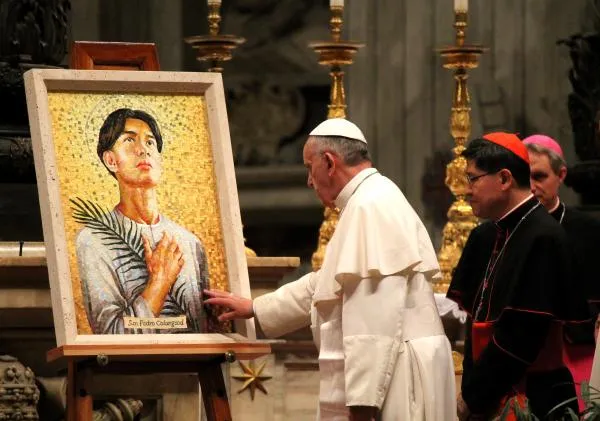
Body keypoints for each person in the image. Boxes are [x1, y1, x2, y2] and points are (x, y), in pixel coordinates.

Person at [205, 118, 456, 421]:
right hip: (395, 366)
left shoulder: (370, 205)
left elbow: (373, 314)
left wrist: (363, 402)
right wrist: (255, 308)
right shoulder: (370, 199)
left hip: (396, 374)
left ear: (328, 162)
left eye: (309, 168)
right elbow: (324, 283)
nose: (309, 181)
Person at [447, 132, 589, 420]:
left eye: (473, 178)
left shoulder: (542, 236)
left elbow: (520, 338)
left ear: (504, 179)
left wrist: (473, 398)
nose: (467, 189)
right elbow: (477, 322)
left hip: (534, 397)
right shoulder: (491, 233)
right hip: (493, 393)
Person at [75, 108, 209, 334]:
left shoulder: (190, 243)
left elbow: (203, 329)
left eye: (150, 142)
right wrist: (159, 283)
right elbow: (111, 335)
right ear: (111, 160)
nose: (143, 150)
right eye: (129, 140)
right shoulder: (94, 241)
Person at [523, 134, 600, 410]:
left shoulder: (589, 229)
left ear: (561, 175)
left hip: (579, 351)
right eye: (524, 176)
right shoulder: (504, 228)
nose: (531, 186)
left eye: (539, 176)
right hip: (526, 358)